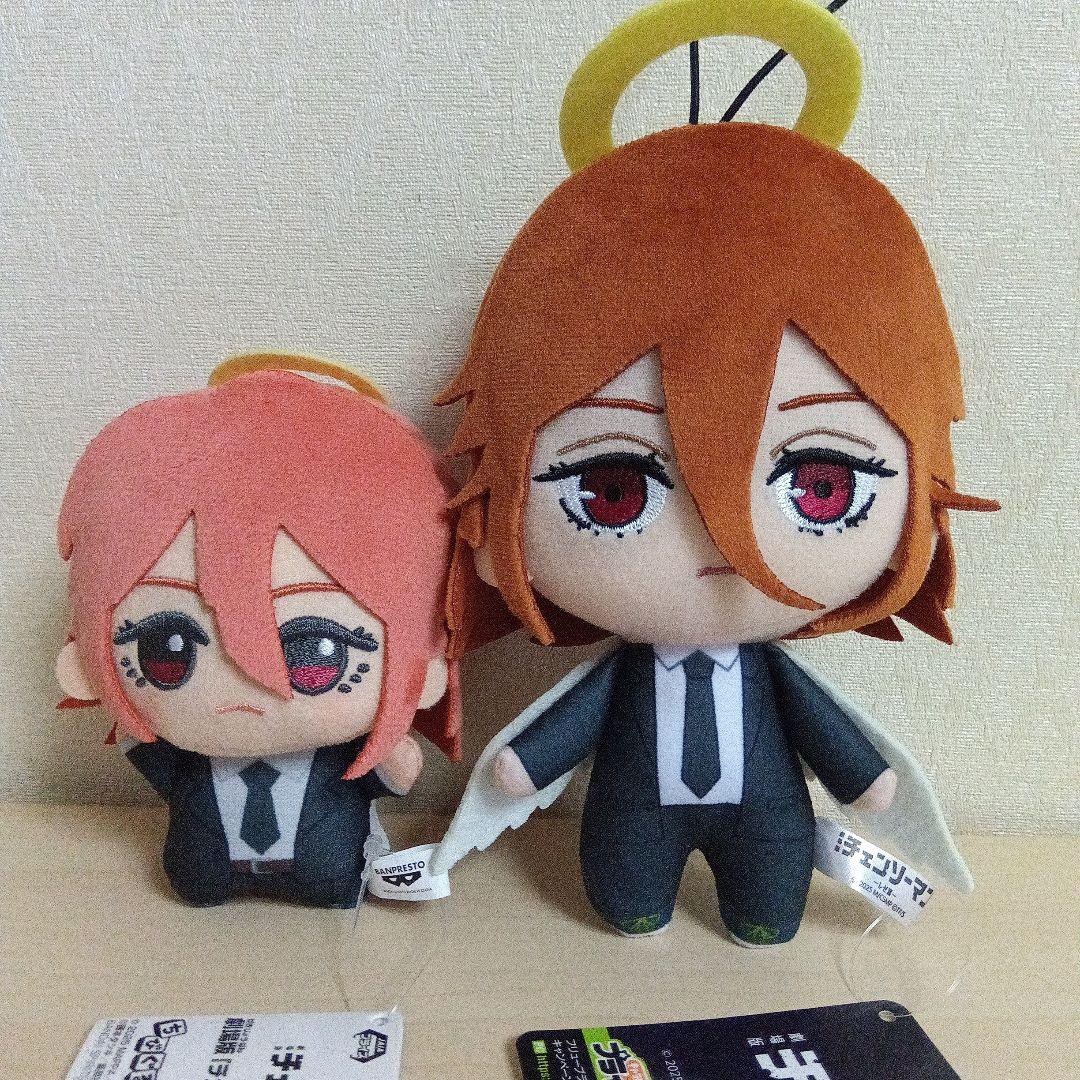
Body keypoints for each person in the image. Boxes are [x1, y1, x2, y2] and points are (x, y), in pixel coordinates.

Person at [434, 0, 998, 941]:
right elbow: (557, 736)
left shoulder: (773, 674)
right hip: (631, 813)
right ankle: (636, 905)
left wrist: (868, 782)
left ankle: (761, 912)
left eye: (821, 486)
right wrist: (520, 768)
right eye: (614, 490)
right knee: (626, 898)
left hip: (768, 819)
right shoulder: (624, 668)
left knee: (769, 909)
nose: (722, 542)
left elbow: (834, 743)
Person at [56, 356, 460, 907]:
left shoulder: (337, 758)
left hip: (327, 874)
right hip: (203, 869)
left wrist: (393, 757)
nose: (249, 681)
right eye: (166, 653)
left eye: (316, 655)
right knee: (197, 881)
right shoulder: (187, 757)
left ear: (425, 670)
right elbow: (147, 754)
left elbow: (398, 777)